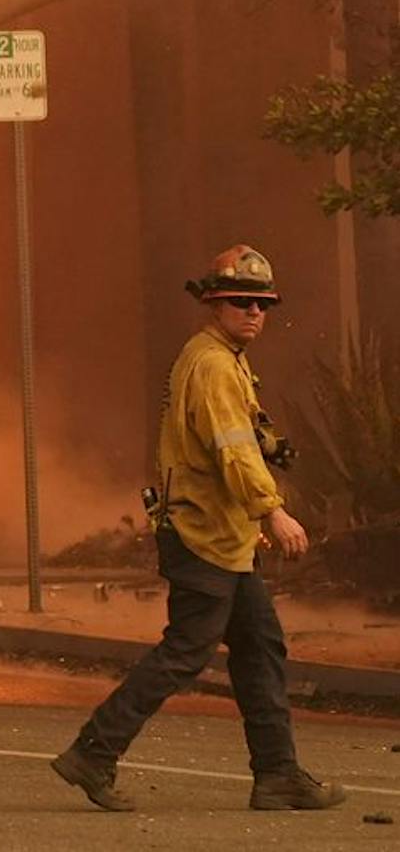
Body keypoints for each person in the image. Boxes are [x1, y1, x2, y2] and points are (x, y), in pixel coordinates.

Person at [51, 245, 345, 814]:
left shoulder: (224, 357)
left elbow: (238, 435)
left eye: (263, 303)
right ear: (214, 303)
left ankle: (278, 775)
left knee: (260, 647)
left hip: (223, 539)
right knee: (186, 652)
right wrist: (273, 510)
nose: (255, 312)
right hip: (206, 536)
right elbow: (231, 453)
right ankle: (93, 752)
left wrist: (270, 446)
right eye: (242, 301)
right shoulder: (211, 364)